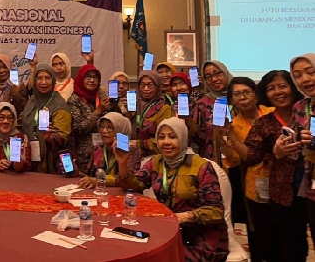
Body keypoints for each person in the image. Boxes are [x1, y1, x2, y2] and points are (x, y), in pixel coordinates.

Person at [117, 117, 228, 261]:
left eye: (172, 137)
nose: (166, 142)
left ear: (183, 138)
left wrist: (184, 216)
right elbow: (134, 185)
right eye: (161, 137)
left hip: (201, 237)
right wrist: (123, 164)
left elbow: (216, 211)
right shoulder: (156, 162)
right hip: (170, 231)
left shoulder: (201, 166)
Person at [244, 70, 305, 261]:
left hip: (311, 187)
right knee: (291, 244)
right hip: (282, 191)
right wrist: (275, 152)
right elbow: (251, 157)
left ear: (293, 88)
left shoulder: (307, 114)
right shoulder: (264, 122)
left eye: (283, 86)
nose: (278, 92)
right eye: (271, 88)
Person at [214, 76, 273, 262]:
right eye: (237, 94)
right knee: (259, 231)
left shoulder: (271, 113)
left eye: (246, 92)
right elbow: (233, 160)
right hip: (255, 184)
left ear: (255, 95)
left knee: (284, 229)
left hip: (281, 181)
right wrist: (222, 140)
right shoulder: (235, 125)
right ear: (231, 100)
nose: (242, 98)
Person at [21, 65, 72, 174]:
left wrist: (50, 137)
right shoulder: (32, 101)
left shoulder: (59, 106)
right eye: (39, 78)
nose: (43, 82)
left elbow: (64, 137)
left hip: (51, 162)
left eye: (47, 78)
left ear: (53, 80)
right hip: (29, 157)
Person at [290, 54, 315, 250]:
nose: (305, 79)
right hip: (311, 187)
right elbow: (295, 147)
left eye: (311, 72)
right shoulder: (300, 107)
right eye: (298, 76)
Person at [77, 112, 140, 188]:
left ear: (121, 130)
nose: (104, 131)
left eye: (109, 127)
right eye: (102, 126)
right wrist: (78, 173)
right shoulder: (99, 148)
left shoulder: (131, 150)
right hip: (100, 191)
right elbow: (90, 176)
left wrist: (99, 180)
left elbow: (130, 181)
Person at [68, 64, 112, 171]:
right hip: (85, 155)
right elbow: (78, 128)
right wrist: (97, 113)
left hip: (106, 152)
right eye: (88, 77)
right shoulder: (74, 100)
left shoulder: (103, 95)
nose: (92, 80)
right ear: (81, 79)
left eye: (95, 77)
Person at [194, 60, 234, 161]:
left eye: (217, 74)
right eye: (208, 77)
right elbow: (199, 138)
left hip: (241, 158)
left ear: (225, 72)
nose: (214, 79)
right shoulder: (202, 104)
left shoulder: (238, 97)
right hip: (213, 158)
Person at [135, 70, 172, 156]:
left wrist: (139, 144)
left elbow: (164, 138)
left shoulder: (164, 109)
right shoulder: (135, 105)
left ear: (157, 86)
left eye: (150, 85)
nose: (145, 89)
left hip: (155, 156)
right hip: (134, 153)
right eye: (142, 85)